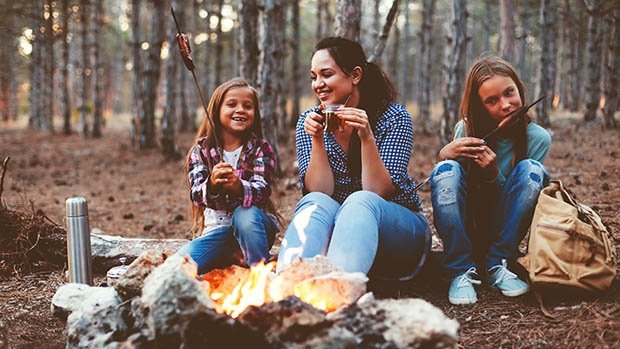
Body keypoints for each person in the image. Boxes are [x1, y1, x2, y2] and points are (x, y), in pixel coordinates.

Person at [276, 37, 432, 280]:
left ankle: (339, 290)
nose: (318, 84)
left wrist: (367, 137)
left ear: (355, 75)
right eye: (313, 76)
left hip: (399, 236)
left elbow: (378, 191)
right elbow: (319, 191)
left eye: (326, 74)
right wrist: (317, 140)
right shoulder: (309, 121)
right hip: (340, 239)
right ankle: (288, 285)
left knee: (360, 201)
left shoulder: (393, 117)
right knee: (314, 201)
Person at [430, 55, 551, 305]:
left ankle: (499, 263)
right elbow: (452, 192)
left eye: (510, 93)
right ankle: (460, 268)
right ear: (479, 105)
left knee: (532, 169)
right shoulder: (466, 130)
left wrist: (494, 175)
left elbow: (523, 201)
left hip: (504, 231)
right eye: (492, 101)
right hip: (468, 225)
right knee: (447, 169)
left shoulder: (538, 138)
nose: (506, 105)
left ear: (519, 88)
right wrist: (444, 156)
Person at [176, 77, 279, 275]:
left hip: (254, 229)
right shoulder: (201, 152)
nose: (240, 109)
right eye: (232, 104)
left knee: (245, 215)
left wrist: (239, 188)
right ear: (217, 111)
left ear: (255, 114)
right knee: (178, 267)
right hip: (217, 235)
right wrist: (212, 184)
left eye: (247, 106)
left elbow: (263, 189)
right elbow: (197, 194)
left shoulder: (260, 148)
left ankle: (261, 276)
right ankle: (230, 256)